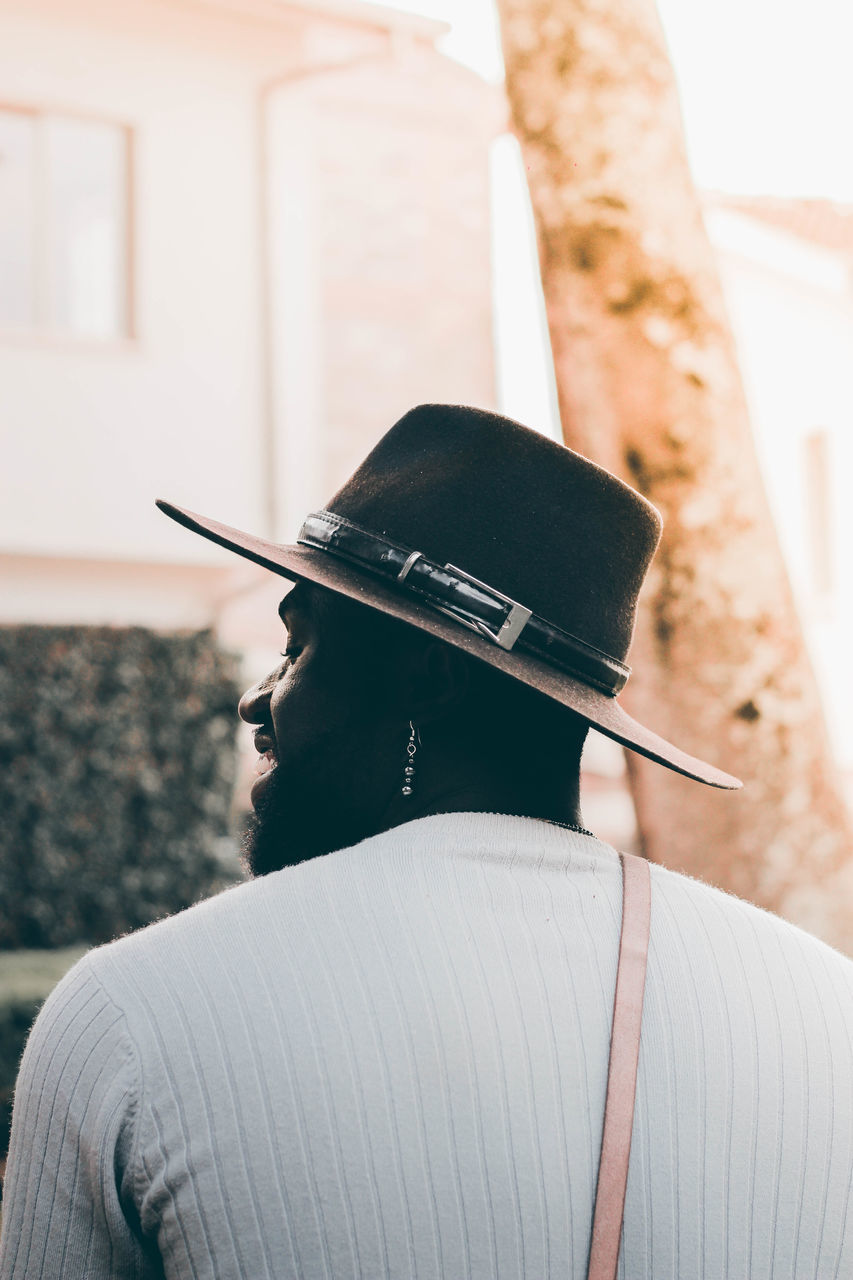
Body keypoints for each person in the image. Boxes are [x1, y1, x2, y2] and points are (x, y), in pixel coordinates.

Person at [2, 403, 851, 1278]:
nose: (257, 701)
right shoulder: (830, 1010)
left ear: (425, 675)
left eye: (296, 649)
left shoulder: (130, 1016)